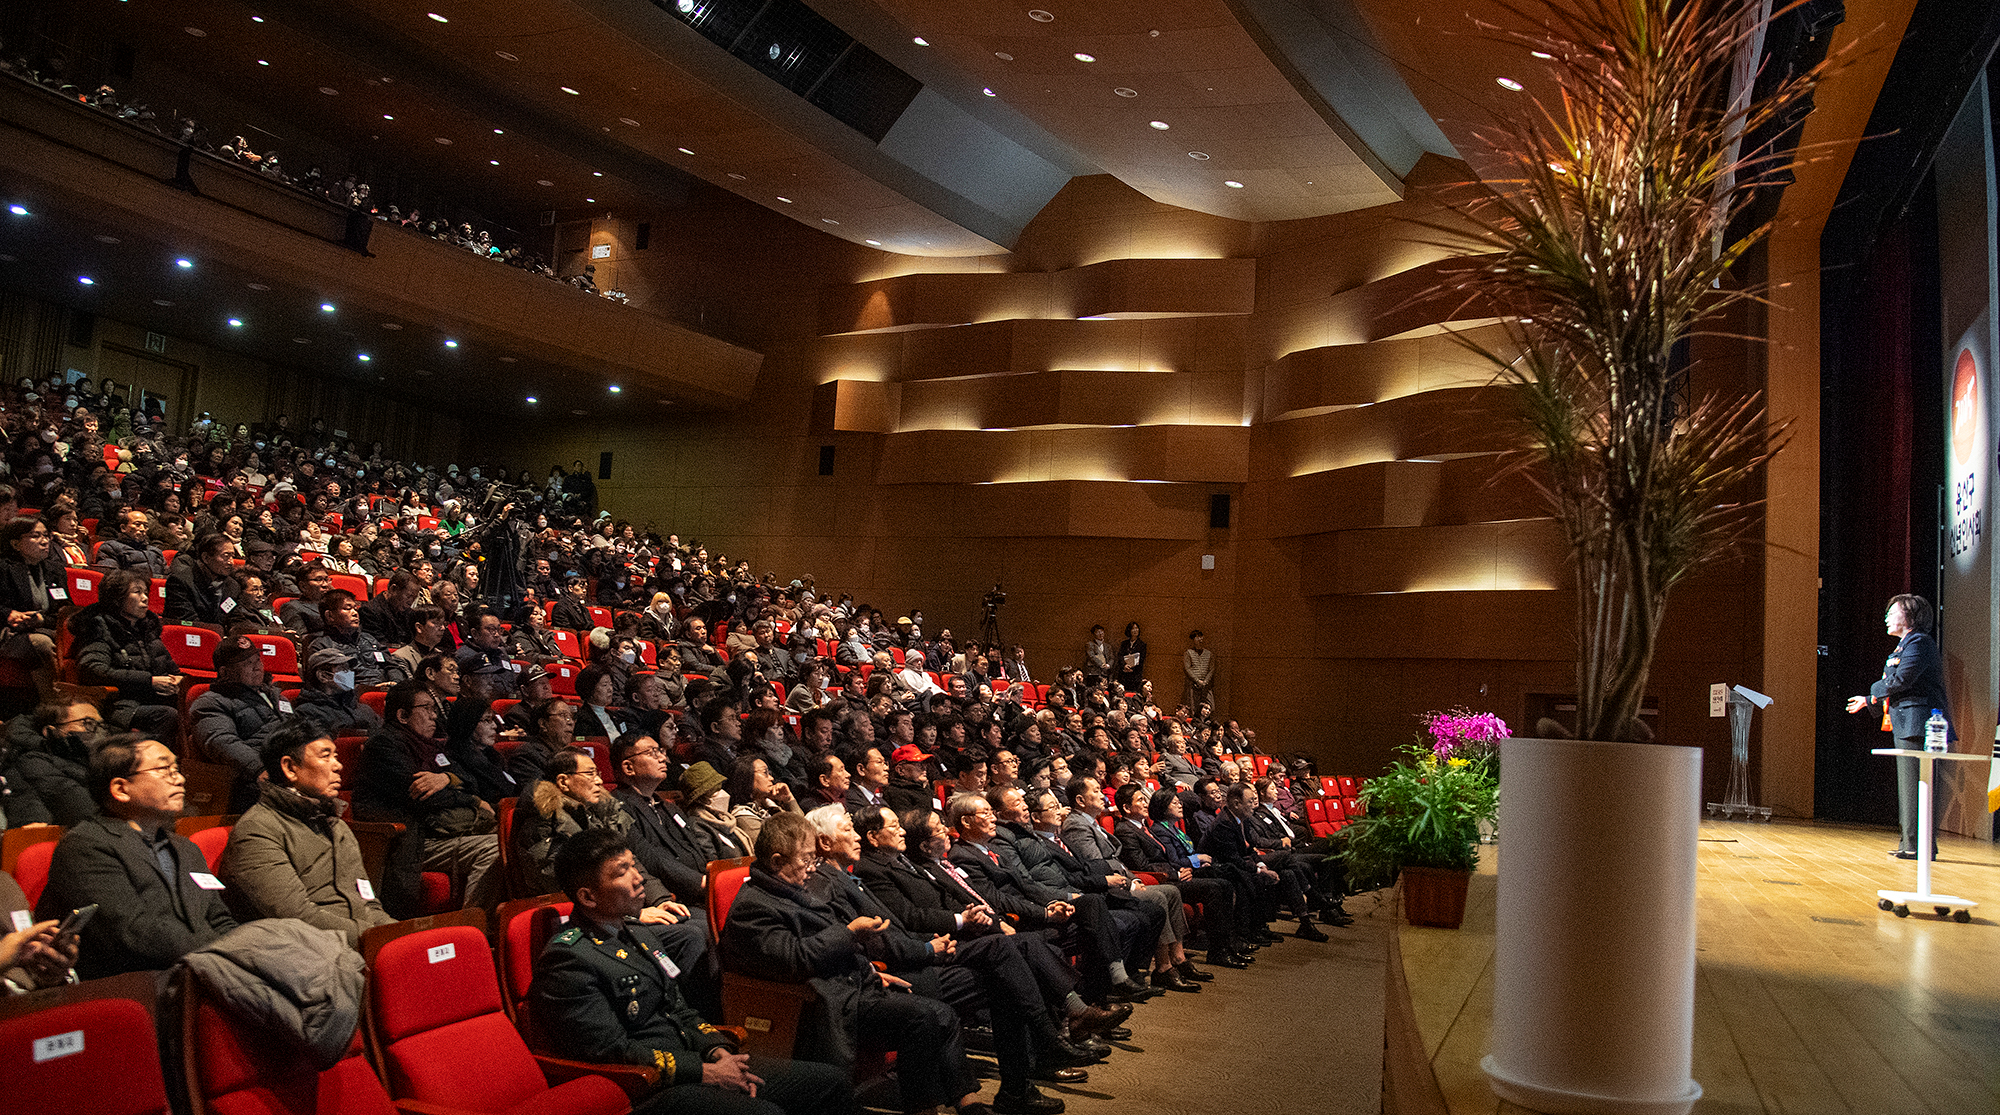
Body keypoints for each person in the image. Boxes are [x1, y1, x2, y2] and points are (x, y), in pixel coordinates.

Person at [528, 828, 855, 1115]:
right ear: (588, 897)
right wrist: (703, 1071)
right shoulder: (569, 959)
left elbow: (679, 1008)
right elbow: (611, 1051)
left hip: (696, 1059)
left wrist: (717, 1050)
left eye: (634, 865)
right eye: (621, 872)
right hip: (651, 1088)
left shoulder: (639, 933)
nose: (638, 878)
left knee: (829, 1082)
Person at [720, 812, 991, 1115]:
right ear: (777, 861)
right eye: (806, 860)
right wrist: (849, 933)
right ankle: (924, 1109)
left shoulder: (794, 888)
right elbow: (795, 959)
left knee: (940, 1013)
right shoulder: (754, 907)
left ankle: (964, 1104)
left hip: (849, 987)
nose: (813, 868)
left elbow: (826, 948)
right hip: (815, 1006)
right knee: (922, 1016)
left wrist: (870, 970)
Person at [35, 734, 239, 978]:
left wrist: (244, 951)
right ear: (121, 789)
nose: (180, 779)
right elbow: (134, 935)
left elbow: (219, 918)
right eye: (164, 770)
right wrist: (226, 955)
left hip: (204, 969)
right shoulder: (86, 846)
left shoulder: (186, 848)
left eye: (176, 769)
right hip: (136, 982)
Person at [216, 721, 395, 945]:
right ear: (290, 768)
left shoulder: (336, 825)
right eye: (325, 756)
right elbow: (297, 918)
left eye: (336, 756)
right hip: (304, 951)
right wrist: (374, 939)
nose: (338, 765)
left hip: (358, 942)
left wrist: (395, 934)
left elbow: (367, 900)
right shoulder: (257, 830)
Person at [352, 681, 503, 917]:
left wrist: (446, 778)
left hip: (438, 830)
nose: (435, 716)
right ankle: (472, 923)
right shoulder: (383, 747)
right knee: (493, 848)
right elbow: (425, 797)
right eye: (427, 708)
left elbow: (469, 780)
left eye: (435, 709)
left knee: (510, 836)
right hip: (409, 838)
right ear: (403, 716)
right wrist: (472, 801)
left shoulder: (432, 746)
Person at [1845, 593, 1952, 860]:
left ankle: (1918, 845)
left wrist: (1871, 694)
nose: (1887, 617)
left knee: (1916, 785)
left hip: (1919, 724)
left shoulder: (1920, 643)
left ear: (1911, 617)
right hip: (1906, 722)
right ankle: (1911, 843)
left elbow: (1902, 679)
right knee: (1908, 786)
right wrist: (1871, 699)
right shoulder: (1903, 646)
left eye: (1893, 612)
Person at [68, 568, 183, 742]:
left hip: (152, 699)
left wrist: (179, 680)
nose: (145, 598)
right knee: (166, 715)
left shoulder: (147, 629)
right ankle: (142, 756)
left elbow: (172, 669)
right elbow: (93, 670)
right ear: (117, 598)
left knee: (195, 705)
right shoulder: (98, 627)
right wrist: (150, 681)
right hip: (118, 704)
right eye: (137, 592)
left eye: (146, 592)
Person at [188, 635, 292, 812]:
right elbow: (222, 741)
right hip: (249, 780)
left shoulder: (277, 697)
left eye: (257, 660)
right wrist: (259, 769)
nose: (257, 667)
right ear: (225, 672)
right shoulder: (210, 702)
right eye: (247, 663)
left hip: (289, 769)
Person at [0, 516, 66, 696]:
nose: (44, 541)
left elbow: (64, 609)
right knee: (41, 643)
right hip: (9, 631)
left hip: (44, 627)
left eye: (46, 535)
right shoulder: (4, 568)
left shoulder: (55, 570)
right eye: (35, 536)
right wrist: (8, 614)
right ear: (15, 543)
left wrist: (42, 620)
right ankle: (54, 700)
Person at [1181, 631, 1214, 713]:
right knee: (1193, 706)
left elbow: (1211, 669)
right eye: (1197, 637)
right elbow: (1187, 668)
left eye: (1201, 636)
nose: (1200, 639)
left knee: (1210, 705)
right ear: (1193, 639)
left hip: (1206, 684)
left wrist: (1205, 681)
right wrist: (1197, 680)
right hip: (1193, 684)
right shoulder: (1188, 653)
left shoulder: (1209, 654)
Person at [1113, 623, 1146, 696]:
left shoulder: (1142, 644)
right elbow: (1120, 656)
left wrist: (1132, 668)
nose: (1135, 630)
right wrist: (1124, 666)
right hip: (1124, 674)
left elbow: (1141, 659)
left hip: (1135, 674)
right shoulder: (1124, 644)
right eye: (1133, 628)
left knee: (1133, 694)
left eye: (1136, 628)